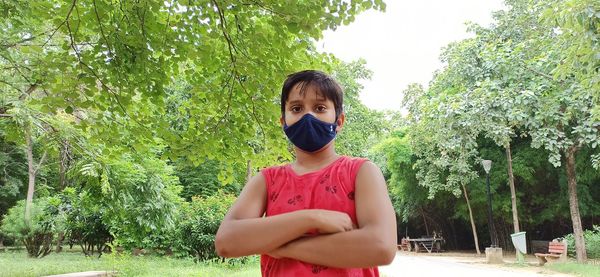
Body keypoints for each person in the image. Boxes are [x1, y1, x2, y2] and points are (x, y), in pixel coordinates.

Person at [215, 70, 397, 276]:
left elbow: (381, 246)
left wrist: (282, 246)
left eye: (320, 108)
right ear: (283, 121)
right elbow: (226, 242)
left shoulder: (362, 172)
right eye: (296, 108)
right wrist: (312, 218)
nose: (307, 116)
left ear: (339, 121)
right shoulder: (267, 180)